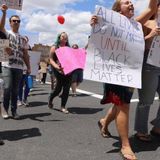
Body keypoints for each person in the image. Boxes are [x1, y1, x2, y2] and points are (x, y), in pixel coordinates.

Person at [91, 0, 157, 160]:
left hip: (130, 71)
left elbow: (151, 7)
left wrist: (149, 35)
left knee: (120, 103)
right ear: (118, 10)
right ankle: (125, 145)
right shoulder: (109, 23)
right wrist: (94, 23)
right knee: (123, 105)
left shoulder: (135, 24)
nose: (131, 4)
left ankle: (104, 122)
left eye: (132, 2)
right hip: (116, 70)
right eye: (127, 2)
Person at [134, 2, 160, 142]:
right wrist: (151, 34)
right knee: (146, 100)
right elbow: (134, 43)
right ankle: (141, 131)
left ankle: (157, 127)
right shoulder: (147, 23)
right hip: (149, 63)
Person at [0, 4, 31, 119]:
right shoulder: (7, 33)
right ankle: (4, 109)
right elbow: (0, 27)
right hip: (7, 65)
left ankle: (14, 111)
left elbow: (26, 54)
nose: (16, 22)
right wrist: (3, 13)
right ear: (10, 23)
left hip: (19, 67)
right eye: (14, 21)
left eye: (18, 21)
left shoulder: (22, 38)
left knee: (15, 90)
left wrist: (28, 67)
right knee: (7, 87)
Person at [48, 32, 72, 114]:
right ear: (59, 38)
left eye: (66, 36)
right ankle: (51, 98)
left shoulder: (69, 48)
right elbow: (50, 59)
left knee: (66, 88)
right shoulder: (54, 47)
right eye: (63, 36)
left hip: (68, 71)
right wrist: (56, 67)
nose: (65, 37)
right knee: (58, 89)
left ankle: (63, 107)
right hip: (58, 70)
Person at [17, 36, 32, 107]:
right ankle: (19, 99)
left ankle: (25, 98)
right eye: (23, 40)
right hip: (20, 70)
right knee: (20, 86)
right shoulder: (17, 49)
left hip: (29, 71)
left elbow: (33, 59)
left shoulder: (30, 49)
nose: (24, 41)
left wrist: (36, 64)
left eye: (25, 40)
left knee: (29, 85)